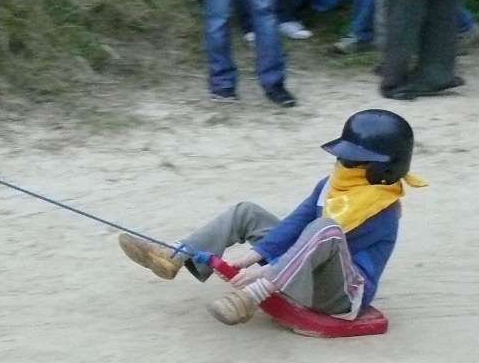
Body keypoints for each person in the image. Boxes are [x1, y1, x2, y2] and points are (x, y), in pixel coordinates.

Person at [117, 109, 422, 327]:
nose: (342, 164)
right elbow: (296, 223)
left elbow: (315, 244)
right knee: (247, 212)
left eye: (354, 161)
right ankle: (176, 255)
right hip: (300, 266)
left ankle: (252, 297)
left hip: (338, 293)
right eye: (342, 157)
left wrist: (264, 273)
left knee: (326, 228)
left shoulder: (382, 209)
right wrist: (250, 258)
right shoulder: (333, 185)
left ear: (384, 168)